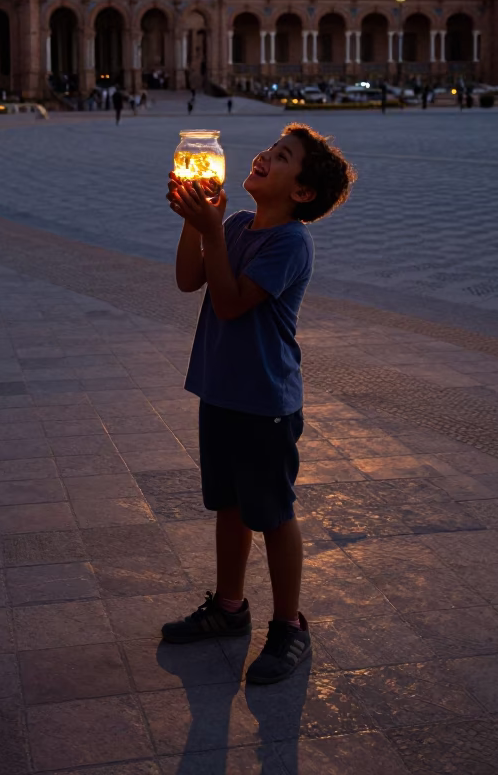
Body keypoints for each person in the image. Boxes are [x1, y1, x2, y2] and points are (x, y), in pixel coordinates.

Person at [161, 124, 355, 684]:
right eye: (270, 150)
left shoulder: (290, 242)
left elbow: (229, 305)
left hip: (265, 401)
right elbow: (187, 280)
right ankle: (228, 607)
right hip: (222, 391)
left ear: (301, 192)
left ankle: (290, 626)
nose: (264, 157)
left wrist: (212, 233)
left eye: (281, 157)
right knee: (229, 505)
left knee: (271, 514)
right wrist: (195, 226)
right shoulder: (241, 224)